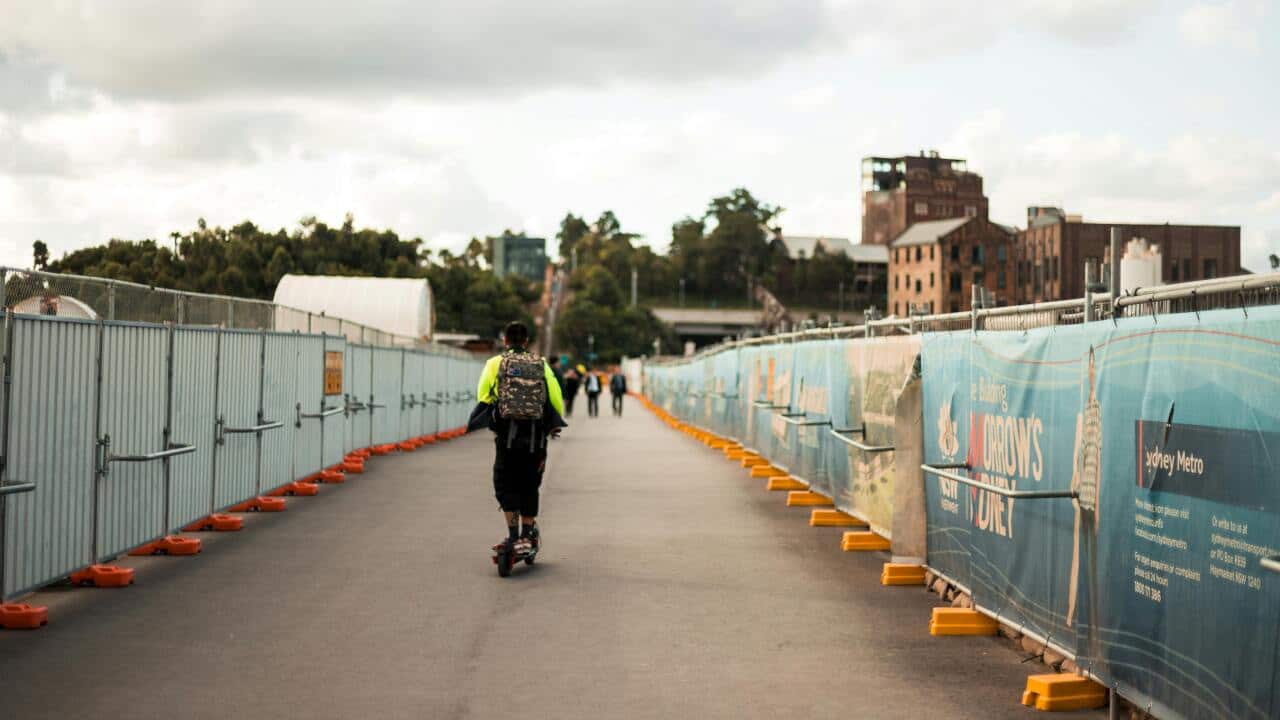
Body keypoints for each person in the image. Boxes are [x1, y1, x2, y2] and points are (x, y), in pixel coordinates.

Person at [469, 321, 566, 556]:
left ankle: (513, 535)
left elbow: (483, 395)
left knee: (505, 482)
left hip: (507, 437)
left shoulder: (495, 363)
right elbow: (555, 399)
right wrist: (553, 424)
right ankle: (528, 532)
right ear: (526, 341)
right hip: (535, 438)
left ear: (505, 341)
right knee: (530, 484)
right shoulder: (541, 363)